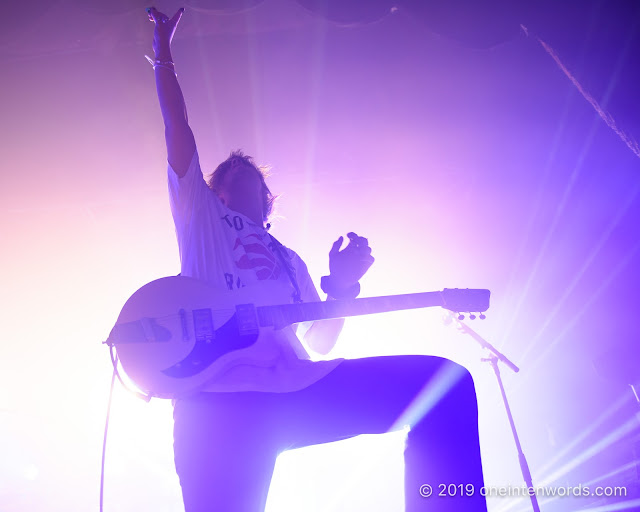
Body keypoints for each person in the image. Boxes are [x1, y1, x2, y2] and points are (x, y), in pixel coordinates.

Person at [146, 7, 488, 512]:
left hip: (297, 389)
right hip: (216, 403)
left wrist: (343, 288)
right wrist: (162, 53)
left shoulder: (290, 261)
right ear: (212, 192)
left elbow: (319, 337)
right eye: (228, 174)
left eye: (255, 178)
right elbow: (179, 131)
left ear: (268, 204)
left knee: (446, 385)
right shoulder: (201, 220)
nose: (241, 172)